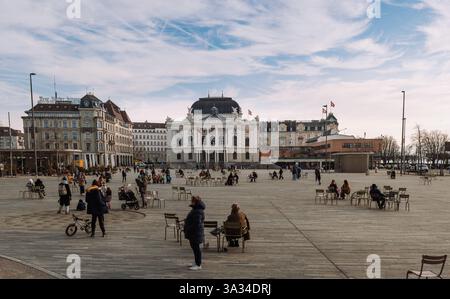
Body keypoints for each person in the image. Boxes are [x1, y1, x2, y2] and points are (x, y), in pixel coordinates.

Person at [184, 196, 205, 271]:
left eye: (192, 201)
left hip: (196, 233)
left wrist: (189, 228)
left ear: (195, 202)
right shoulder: (196, 209)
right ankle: (196, 262)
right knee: (194, 248)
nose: (191, 202)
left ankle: (198, 264)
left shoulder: (198, 211)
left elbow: (197, 223)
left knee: (196, 249)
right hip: (194, 233)